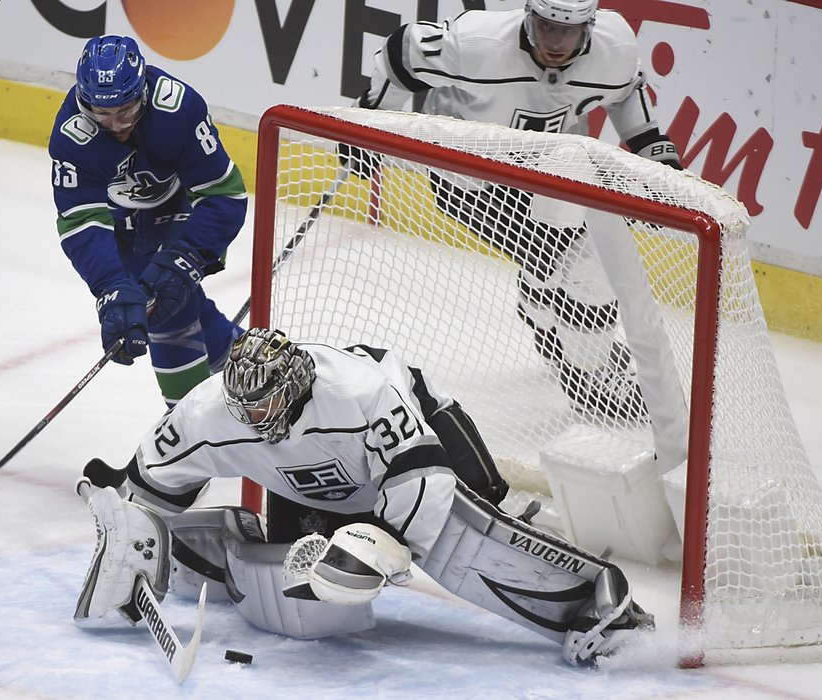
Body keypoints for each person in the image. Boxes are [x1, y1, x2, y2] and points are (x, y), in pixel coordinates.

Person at [73, 328, 653, 665]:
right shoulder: (204, 412)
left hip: (423, 429)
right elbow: (148, 486)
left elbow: (423, 488)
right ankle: (235, 543)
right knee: (298, 594)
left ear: (297, 385)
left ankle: (597, 604)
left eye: (265, 403)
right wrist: (132, 536)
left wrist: (381, 545)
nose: (252, 418)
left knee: (472, 530)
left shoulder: (361, 393)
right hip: (320, 484)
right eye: (243, 407)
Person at [346, 0, 682, 421]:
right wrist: (370, 121)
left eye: (569, 31)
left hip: (547, 175)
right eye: (545, 27)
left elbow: (625, 91)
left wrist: (650, 143)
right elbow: (401, 52)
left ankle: (541, 309)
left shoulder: (613, 48)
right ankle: (591, 380)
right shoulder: (478, 44)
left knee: (576, 253)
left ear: (590, 27)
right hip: (470, 182)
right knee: (586, 270)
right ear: (528, 17)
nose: (556, 42)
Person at [48, 35, 247, 406]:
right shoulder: (71, 137)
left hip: (172, 204)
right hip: (119, 218)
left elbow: (224, 194)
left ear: (143, 91)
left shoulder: (178, 108)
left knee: (165, 301)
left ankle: (189, 433)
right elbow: (80, 223)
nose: (115, 125)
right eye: (100, 114)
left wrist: (190, 254)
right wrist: (111, 286)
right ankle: (241, 362)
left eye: (125, 111)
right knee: (164, 295)